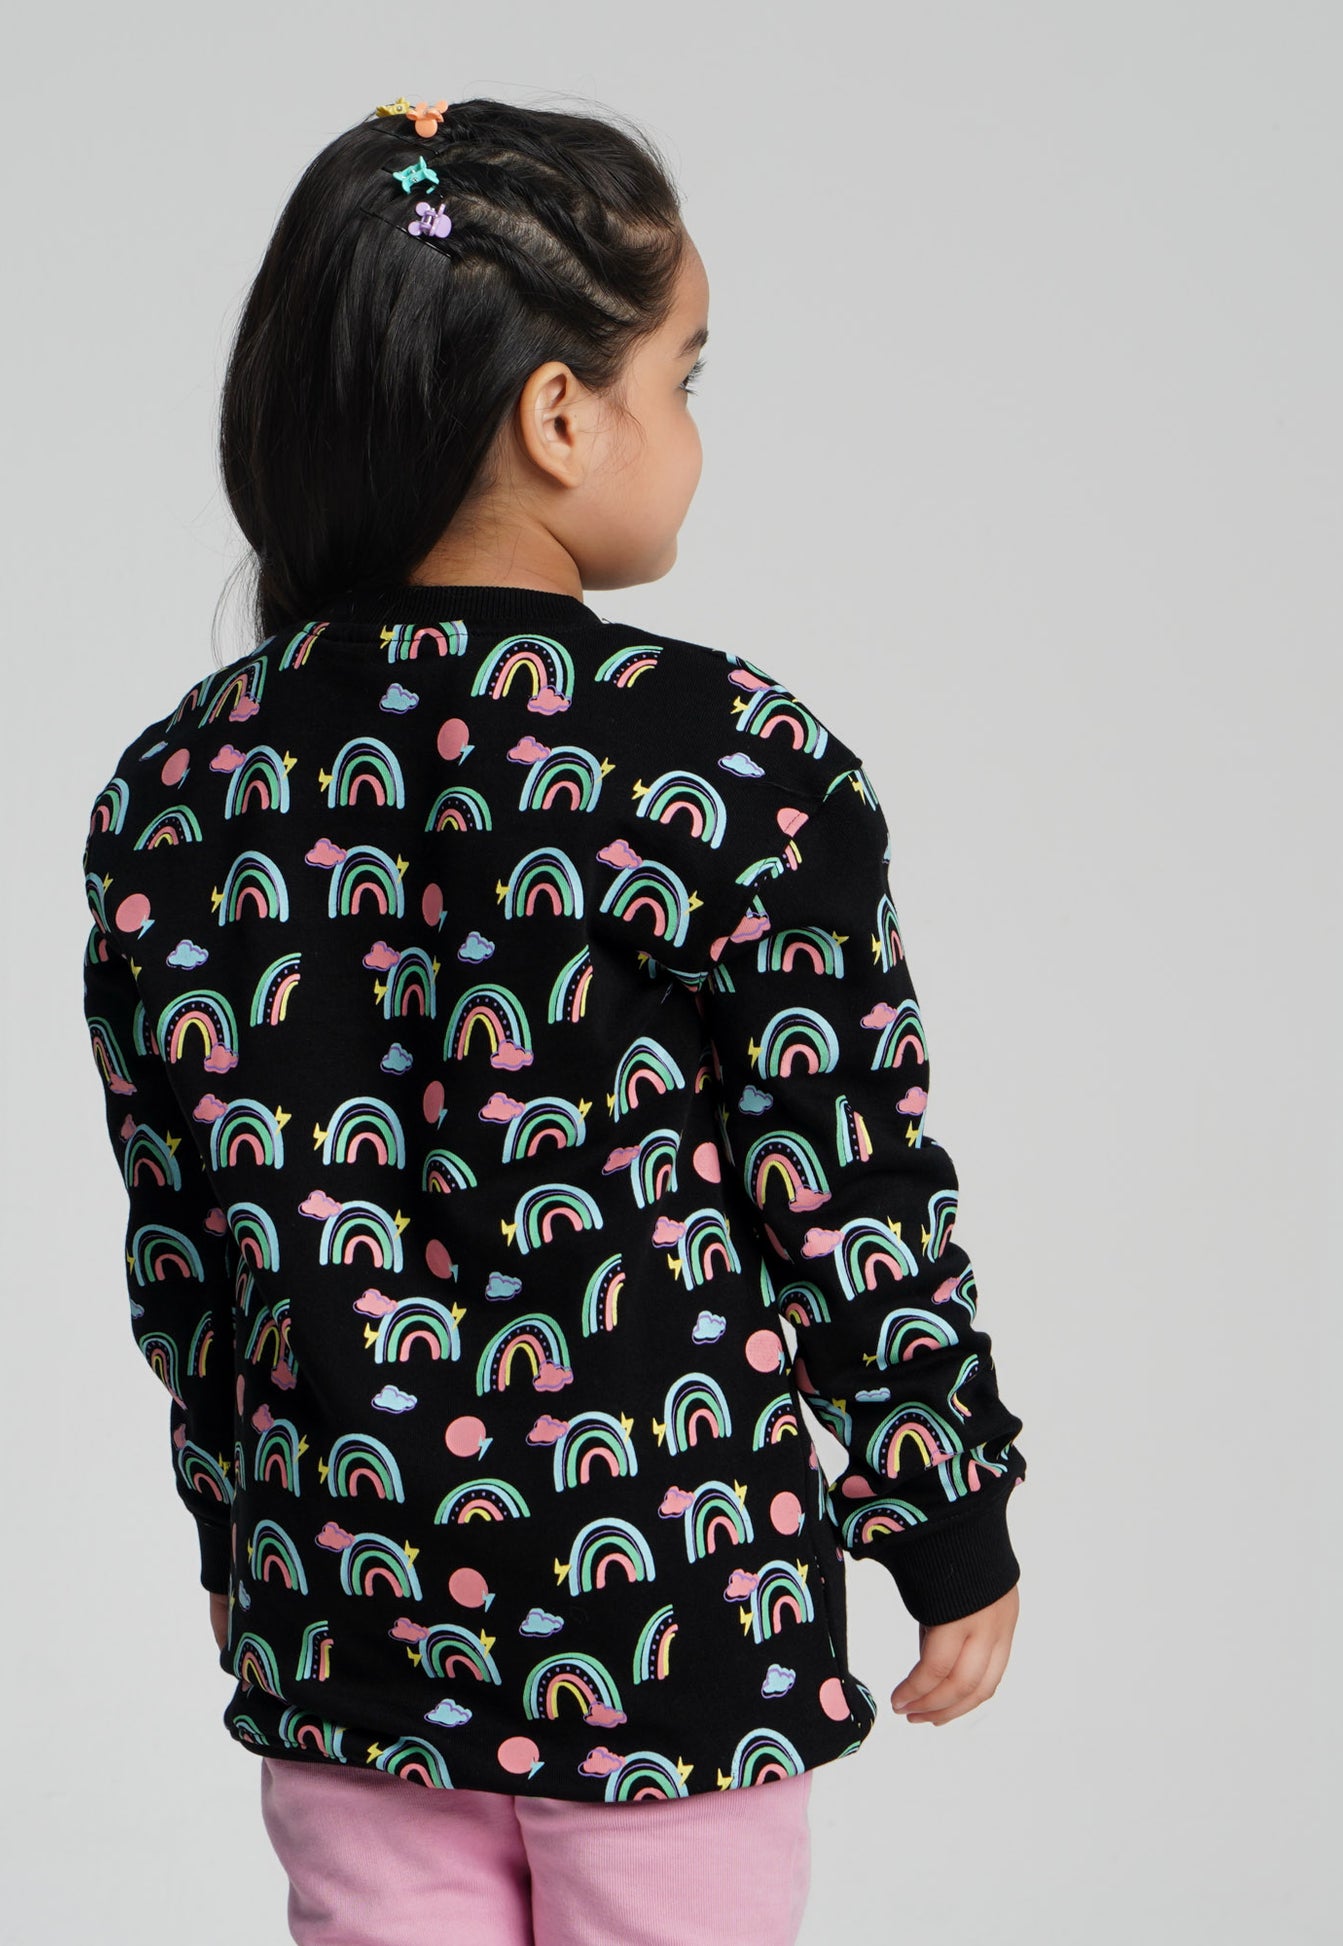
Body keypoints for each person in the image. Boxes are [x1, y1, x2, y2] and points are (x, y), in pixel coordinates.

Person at [79, 93, 1029, 1946]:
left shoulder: (182, 789)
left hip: (346, 1597)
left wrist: (236, 1529)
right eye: (684, 374)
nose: (692, 429)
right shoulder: (730, 764)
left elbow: (186, 1238)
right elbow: (843, 1180)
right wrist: (942, 1505)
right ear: (559, 414)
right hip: (670, 1610)